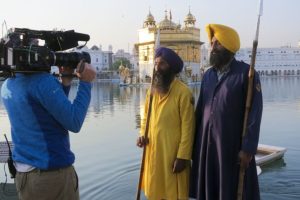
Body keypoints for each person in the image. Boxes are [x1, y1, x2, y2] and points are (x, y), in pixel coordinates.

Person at [1, 61, 96, 200]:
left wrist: (65, 84)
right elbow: (74, 122)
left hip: (24, 176)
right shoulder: (42, 82)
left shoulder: (8, 84)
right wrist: (86, 83)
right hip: (50, 178)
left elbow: (45, 113)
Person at [189, 24, 263, 200]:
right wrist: (193, 147)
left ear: (229, 46)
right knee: (210, 189)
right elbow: (201, 111)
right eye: (212, 43)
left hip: (231, 147)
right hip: (207, 145)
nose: (212, 48)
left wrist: (248, 149)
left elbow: (255, 112)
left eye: (217, 44)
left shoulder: (247, 74)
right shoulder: (208, 75)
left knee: (231, 189)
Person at [136, 47, 195, 200]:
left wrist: (183, 157)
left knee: (173, 193)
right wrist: (143, 135)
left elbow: (188, 129)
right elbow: (145, 119)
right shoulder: (152, 92)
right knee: (155, 191)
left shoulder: (184, 93)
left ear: (171, 68)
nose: (157, 68)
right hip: (154, 152)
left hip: (172, 156)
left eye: (162, 64)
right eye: (155, 64)